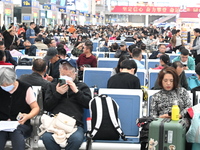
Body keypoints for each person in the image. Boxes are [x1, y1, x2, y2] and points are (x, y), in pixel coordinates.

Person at [41, 58, 92, 150]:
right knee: (47, 138)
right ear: (59, 72)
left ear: (75, 74)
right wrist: (57, 94)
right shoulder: (52, 86)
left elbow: (88, 104)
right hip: (55, 123)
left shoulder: (82, 86)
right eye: (63, 74)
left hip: (75, 124)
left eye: (68, 75)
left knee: (76, 139)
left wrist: (76, 91)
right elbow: (47, 107)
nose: (65, 77)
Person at [0, 67, 40, 150]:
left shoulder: (25, 88)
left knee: (17, 134)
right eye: (2, 85)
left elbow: (35, 108)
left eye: (7, 85)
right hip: (2, 124)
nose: (5, 87)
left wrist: (28, 116)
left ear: (14, 80)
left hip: (20, 123)